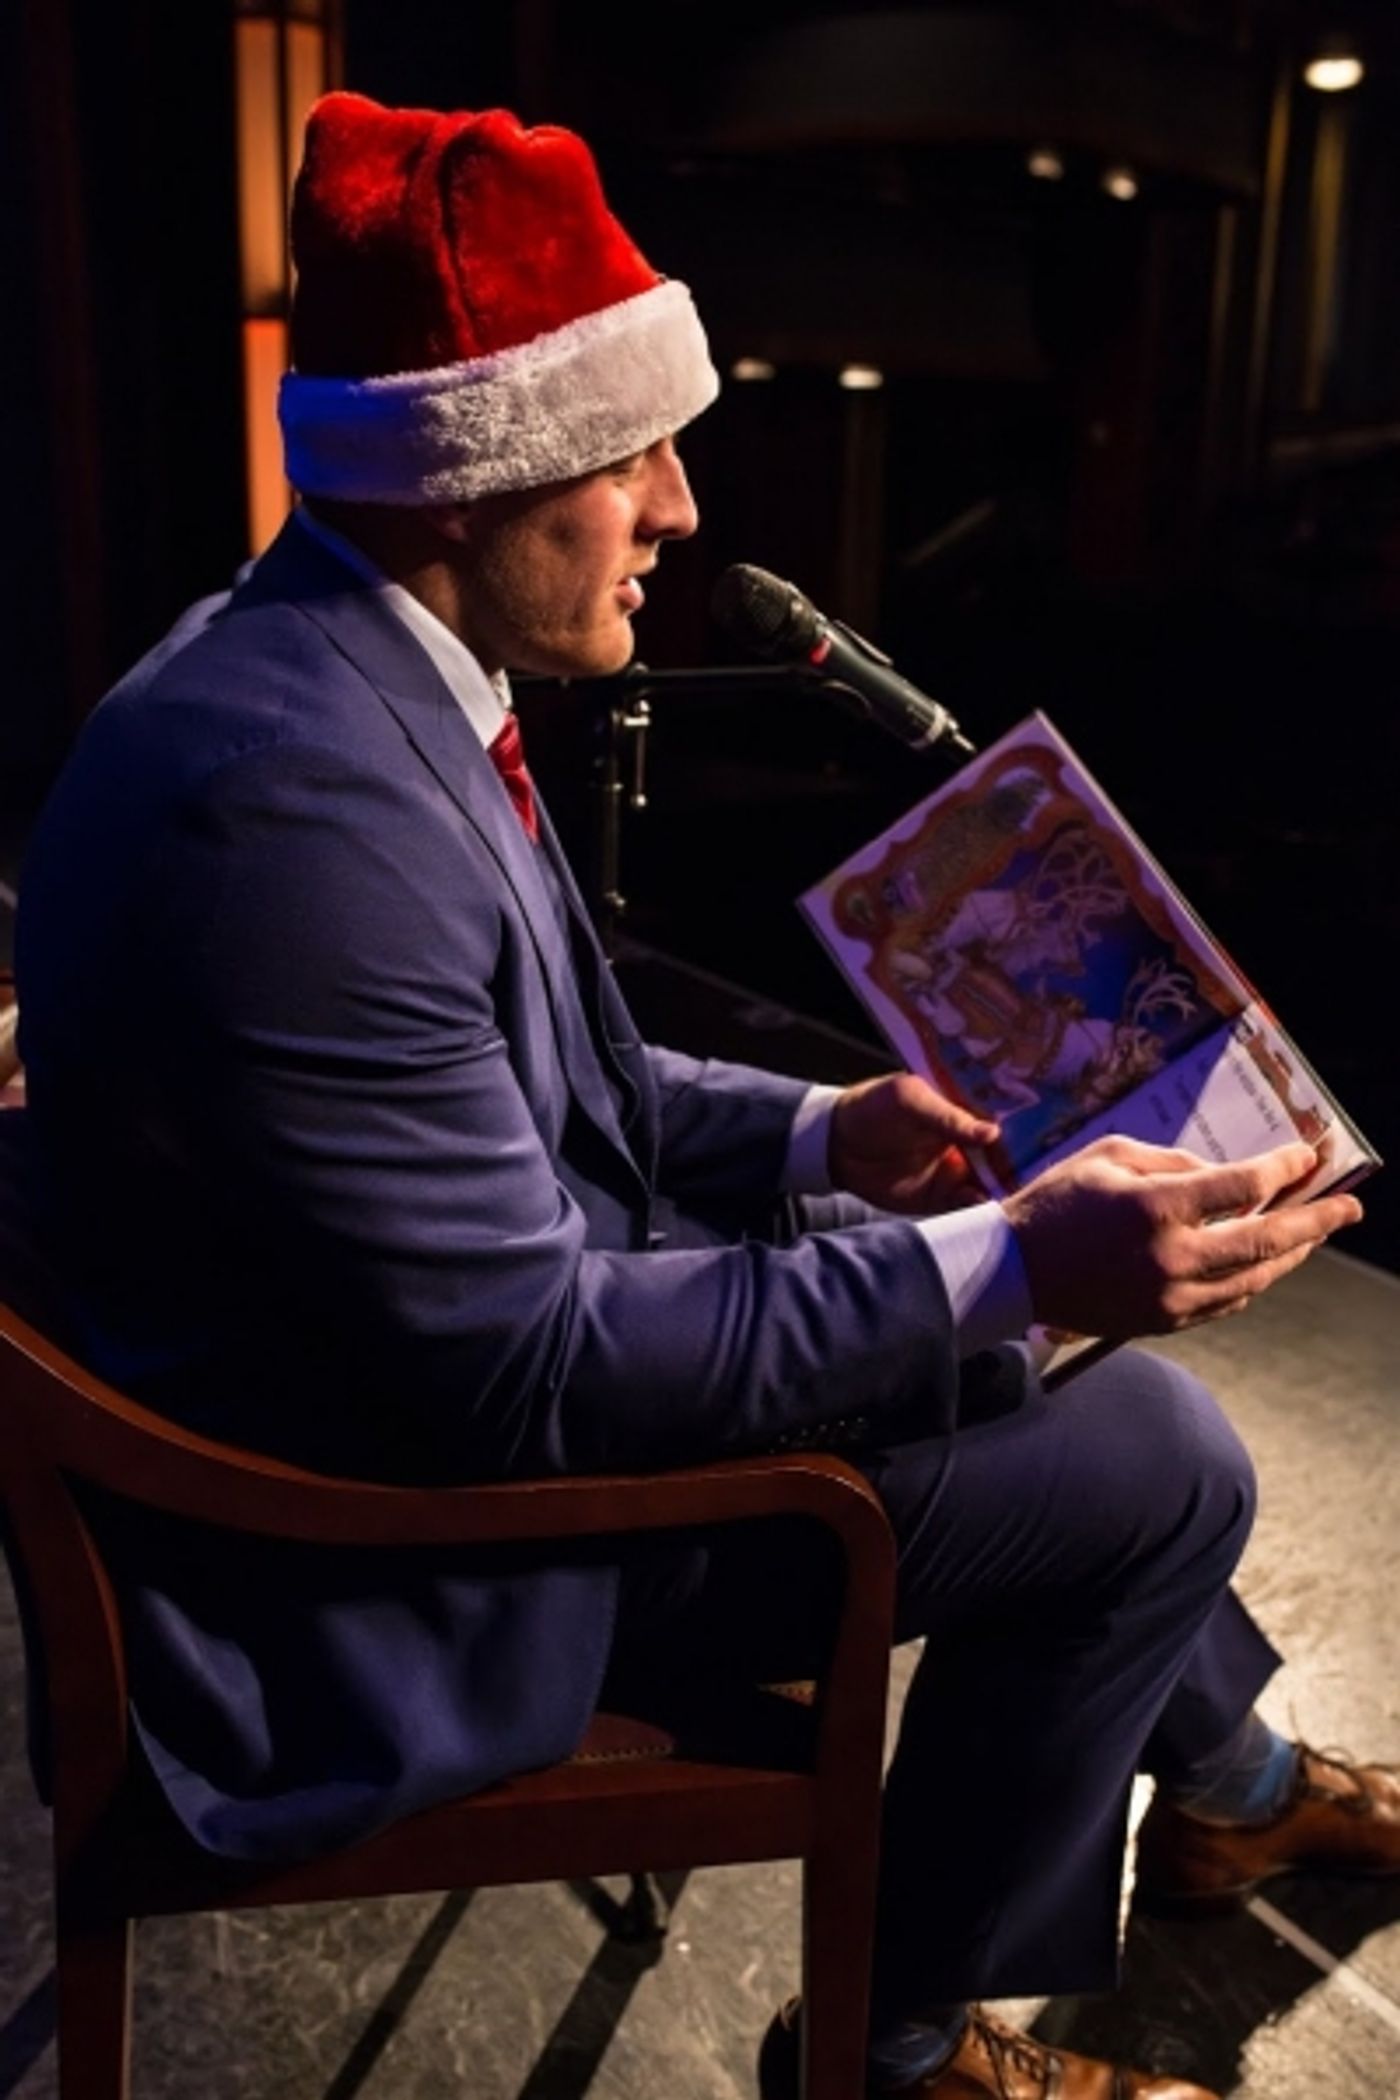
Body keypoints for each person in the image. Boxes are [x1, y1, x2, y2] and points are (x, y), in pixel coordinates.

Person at [14, 92, 1397, 2100]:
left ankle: (1237, 1782)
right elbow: (524, 1374)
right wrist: (1007, 1258)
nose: (676, 509)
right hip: (391, 1564)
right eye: (625, 454)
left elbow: (545, 1067)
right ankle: (896, 2056)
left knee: (961, 1330)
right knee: (1155, 1460)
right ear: (459, 476)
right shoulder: (290, 808)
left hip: (402, 1411)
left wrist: (825, 1135)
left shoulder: (329, 679)